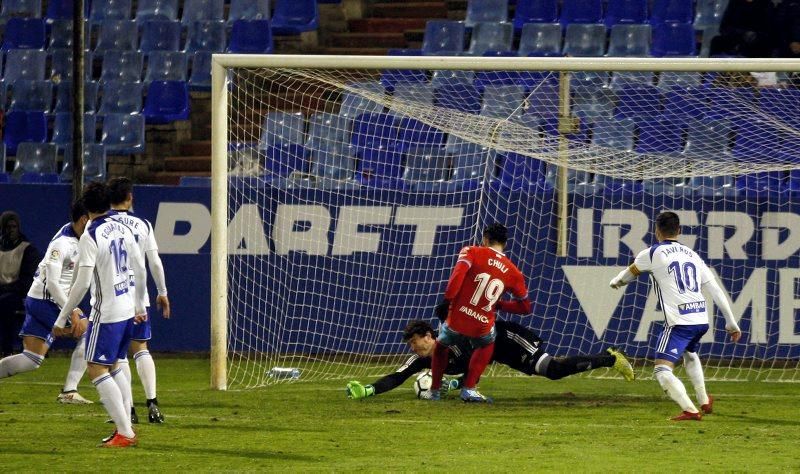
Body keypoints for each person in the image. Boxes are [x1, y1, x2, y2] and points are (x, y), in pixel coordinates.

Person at [609, 211, 742, 421]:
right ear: (679, 231)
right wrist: (731, 322)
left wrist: (615, 282)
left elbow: (627, 275)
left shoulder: (651, 253)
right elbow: (715, 288)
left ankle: (690, 409)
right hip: (700, 319)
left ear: (656, 231)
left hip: (679, 323)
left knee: (662, 370)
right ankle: (704, 399)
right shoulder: (691, 254)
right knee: (690, 353)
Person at [61, 177, 171, 423]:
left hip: (112, 300)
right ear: (130, 197)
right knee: (141, 349)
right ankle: (151, 403)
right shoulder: (141, 224)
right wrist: (161, 292)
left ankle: (127, 412)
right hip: (136, 297)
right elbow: (152, 262)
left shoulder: (99, 227)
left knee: (115, 360)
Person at [52, 181, 148, 448]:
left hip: (107, 313)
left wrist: (62, 317)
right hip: (128, 307)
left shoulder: (90, 235)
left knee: (95, 368)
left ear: (87, 208)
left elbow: (82, 283)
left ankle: (125, 432)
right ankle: (126, 424)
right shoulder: (125, 228)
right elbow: (140, 267)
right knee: (115, 365)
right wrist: (140, 305)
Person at [345, 319, 634, 399]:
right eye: (409, 344)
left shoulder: (453, 337)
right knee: (555, 372)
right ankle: (607, 358)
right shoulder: (424, 360)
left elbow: (475, 368)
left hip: (506, 338)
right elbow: (398, 375)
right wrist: (368, 390)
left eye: (414, 342)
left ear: (430, 336)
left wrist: (454, 385)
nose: (412, 348)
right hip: (494, 354)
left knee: (553, 369)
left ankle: (609, 358)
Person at [0, 200, 93, 408]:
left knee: (31, 359)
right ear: (84, 219)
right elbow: (52, 283)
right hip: (46, 302)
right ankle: (69, 390)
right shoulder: (62, 243)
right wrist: (72, 311)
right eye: (93, 218)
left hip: (41, 300)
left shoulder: (78, 236)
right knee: (90, 331)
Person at [428, 223, 531, 403]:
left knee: (441, 346)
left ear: (485, 238)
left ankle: (435, 391)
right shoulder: (515, 272)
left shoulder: (470, 251)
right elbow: (525, 308)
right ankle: (468, 389)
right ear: (505, 243)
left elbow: (457, 276)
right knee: (488, 342)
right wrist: (499, 305)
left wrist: (447, 299)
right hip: (481, 325)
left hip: (457, 320)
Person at [0, 211, 40, 356]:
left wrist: (7, 288)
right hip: (3, 292)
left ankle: (7, 349)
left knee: (5, 303)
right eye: (7, 227)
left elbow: (27, 280)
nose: (10, 230)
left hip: (19, 294)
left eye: (13, 227)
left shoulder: (27, 250)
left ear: (18, 228)